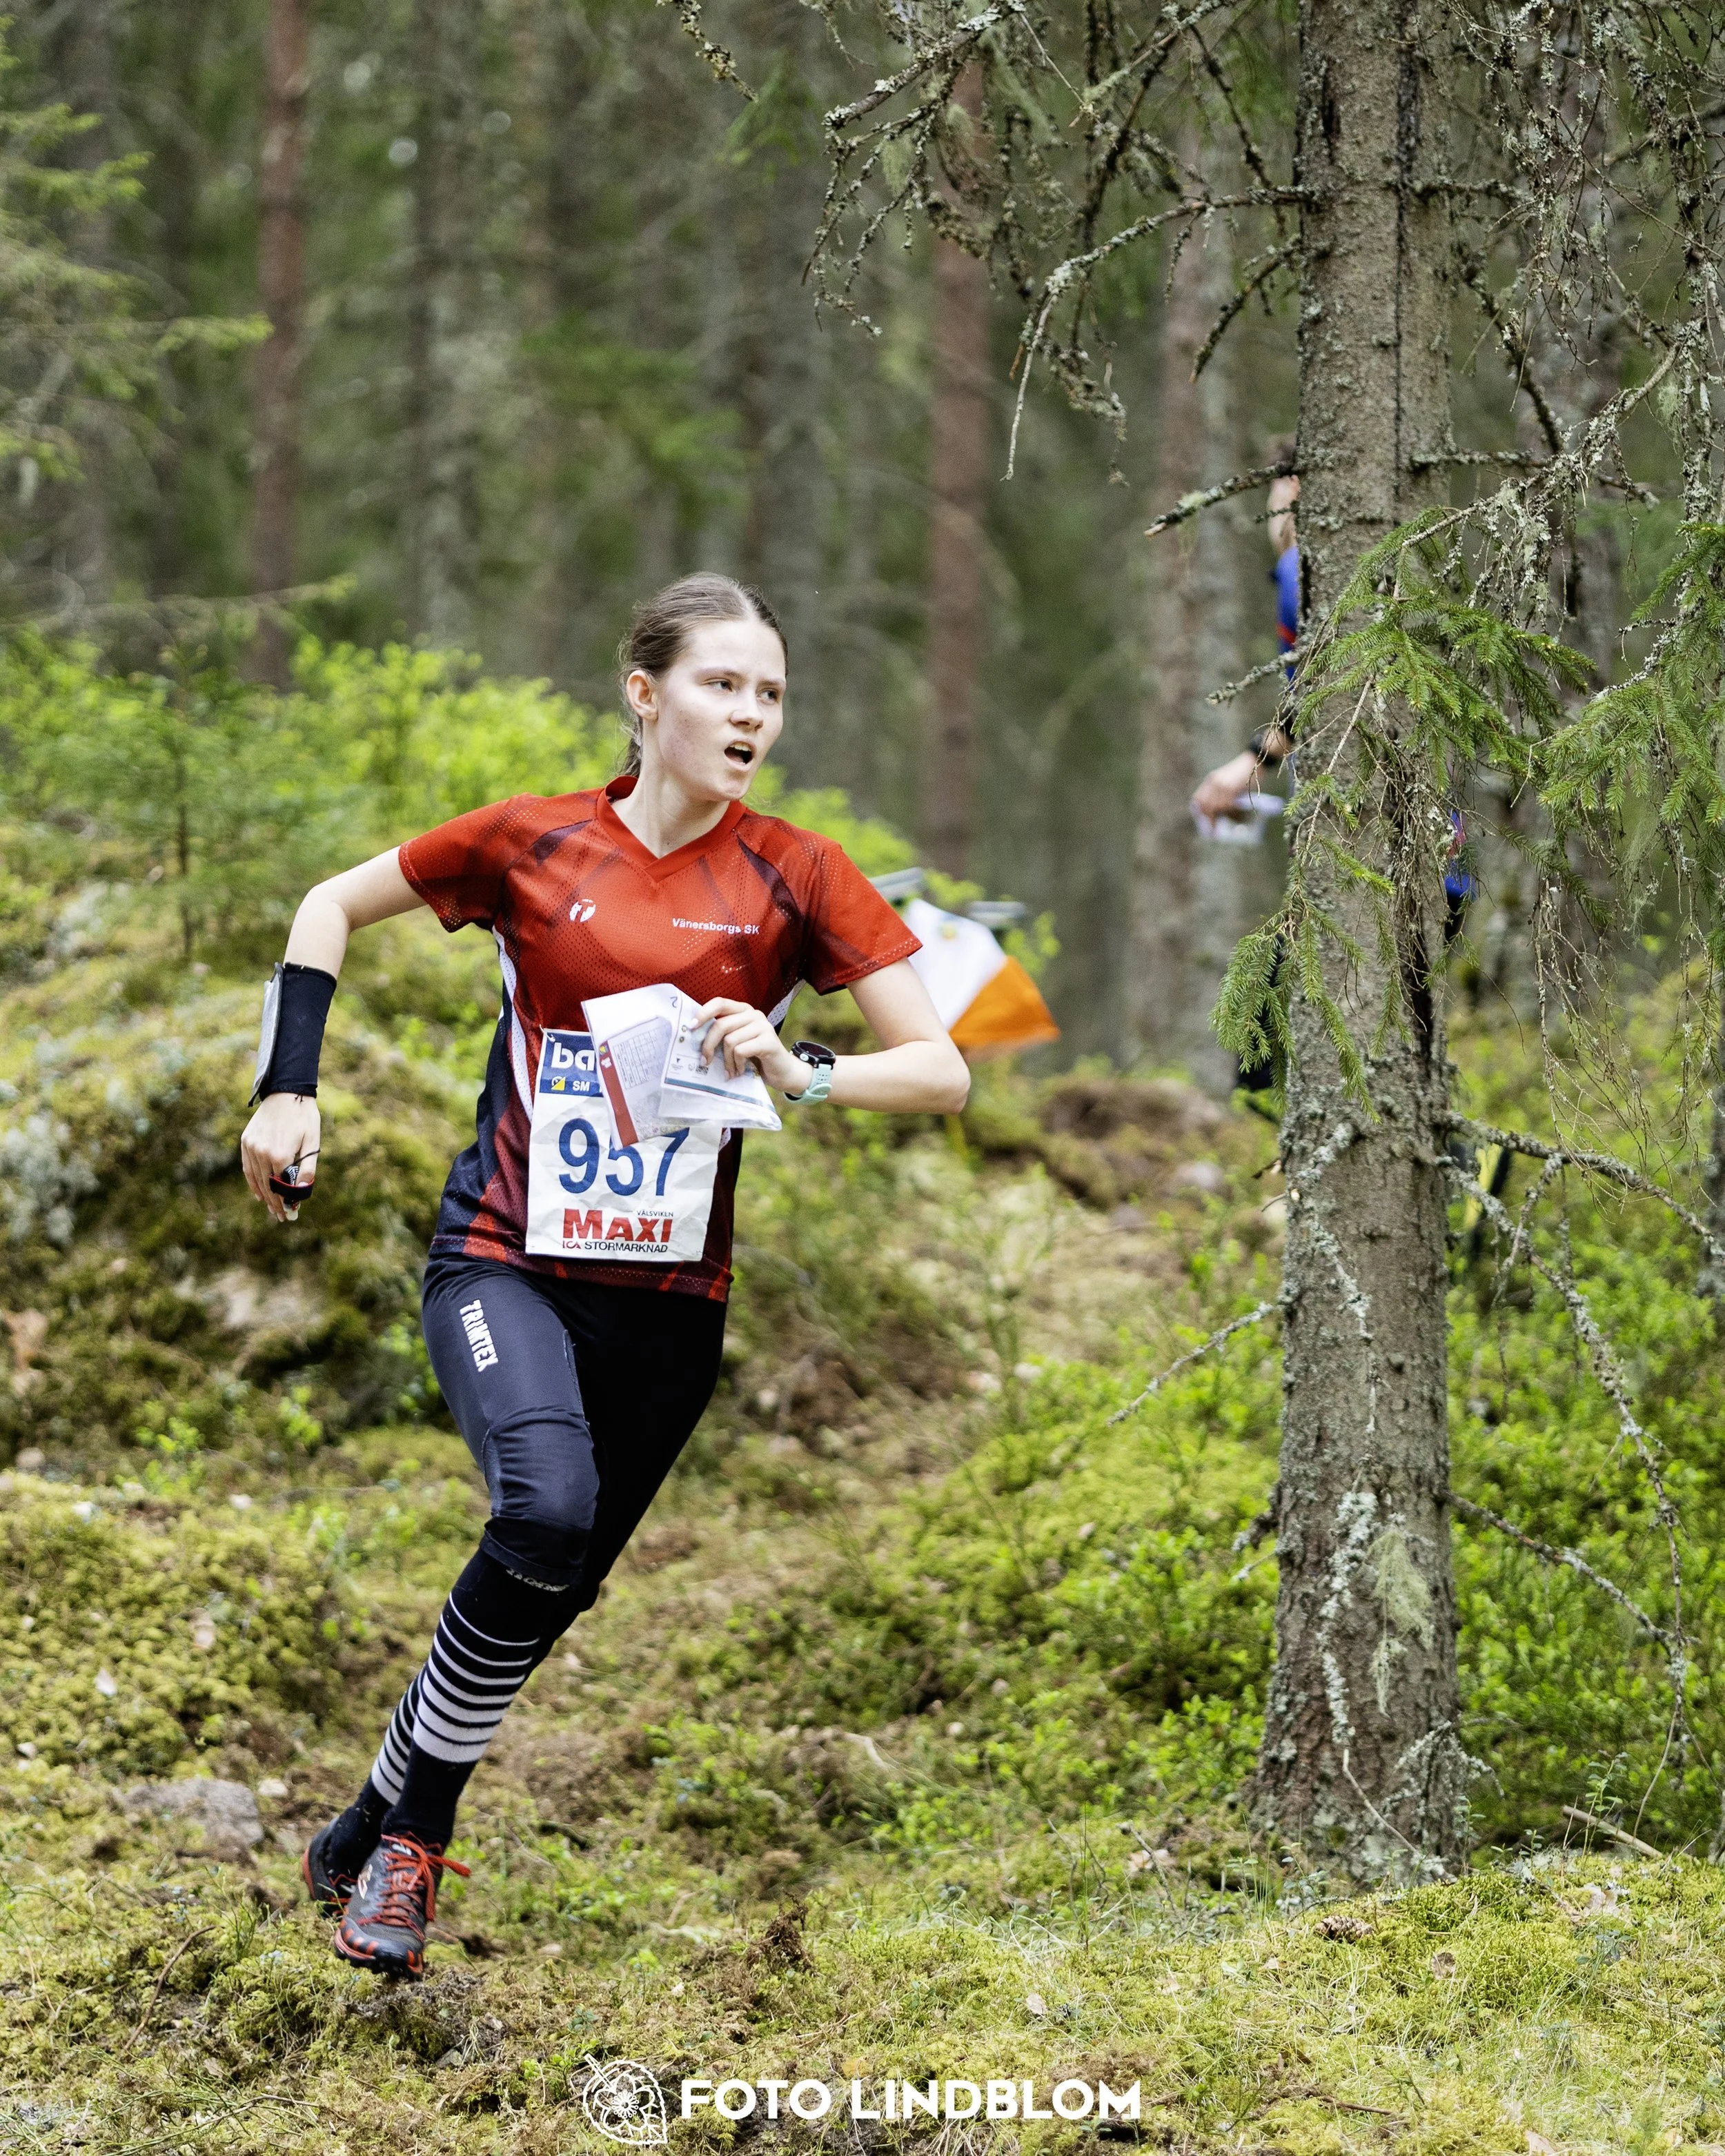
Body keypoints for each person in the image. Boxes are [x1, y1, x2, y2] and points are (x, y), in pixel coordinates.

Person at [239, 572, 969, 1978]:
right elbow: (327, 905)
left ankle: (370, 1805)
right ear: (645, 696)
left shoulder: (795, 873)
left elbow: (937, 1068)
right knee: (541, 1508)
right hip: (504, 1257)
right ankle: (416, 1846)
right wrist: (287, 1091)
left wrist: (797, 1065)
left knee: (553, 1580)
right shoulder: (532, 844)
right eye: (721, 685)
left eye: (769, 692)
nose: (750, 713)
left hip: (669, 1302)